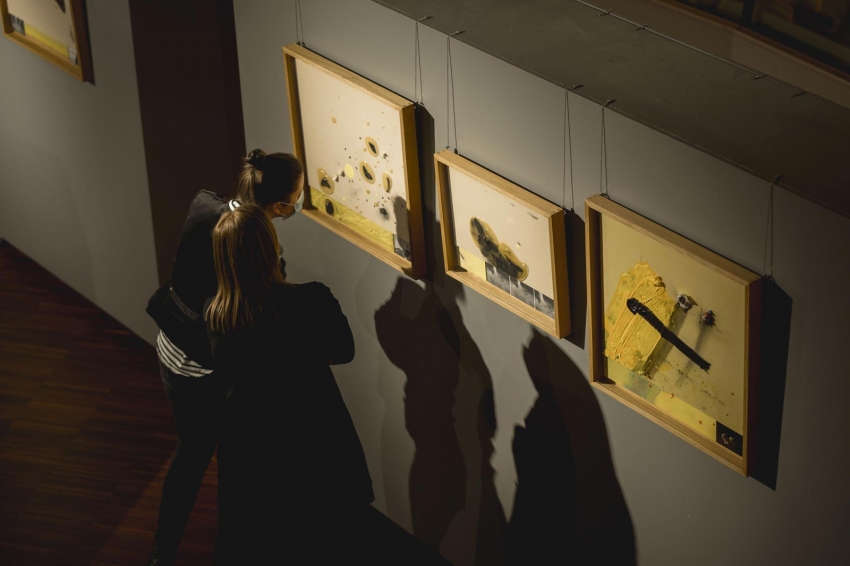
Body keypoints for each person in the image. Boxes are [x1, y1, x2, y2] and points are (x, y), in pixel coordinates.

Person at [146, 149, 304, 566]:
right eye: (296, 199)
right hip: (203, 367)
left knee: (190, 455)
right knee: (224, 463)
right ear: (279, 206)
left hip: (169, 346)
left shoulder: (205, 203)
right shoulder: (256, 252)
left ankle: (163, 552)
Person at [204, 204, 374, 565]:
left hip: (252, 449)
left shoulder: (216, 315)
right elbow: (344, 351)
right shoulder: (310, 300)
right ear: (272, 248)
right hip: (312, 439)